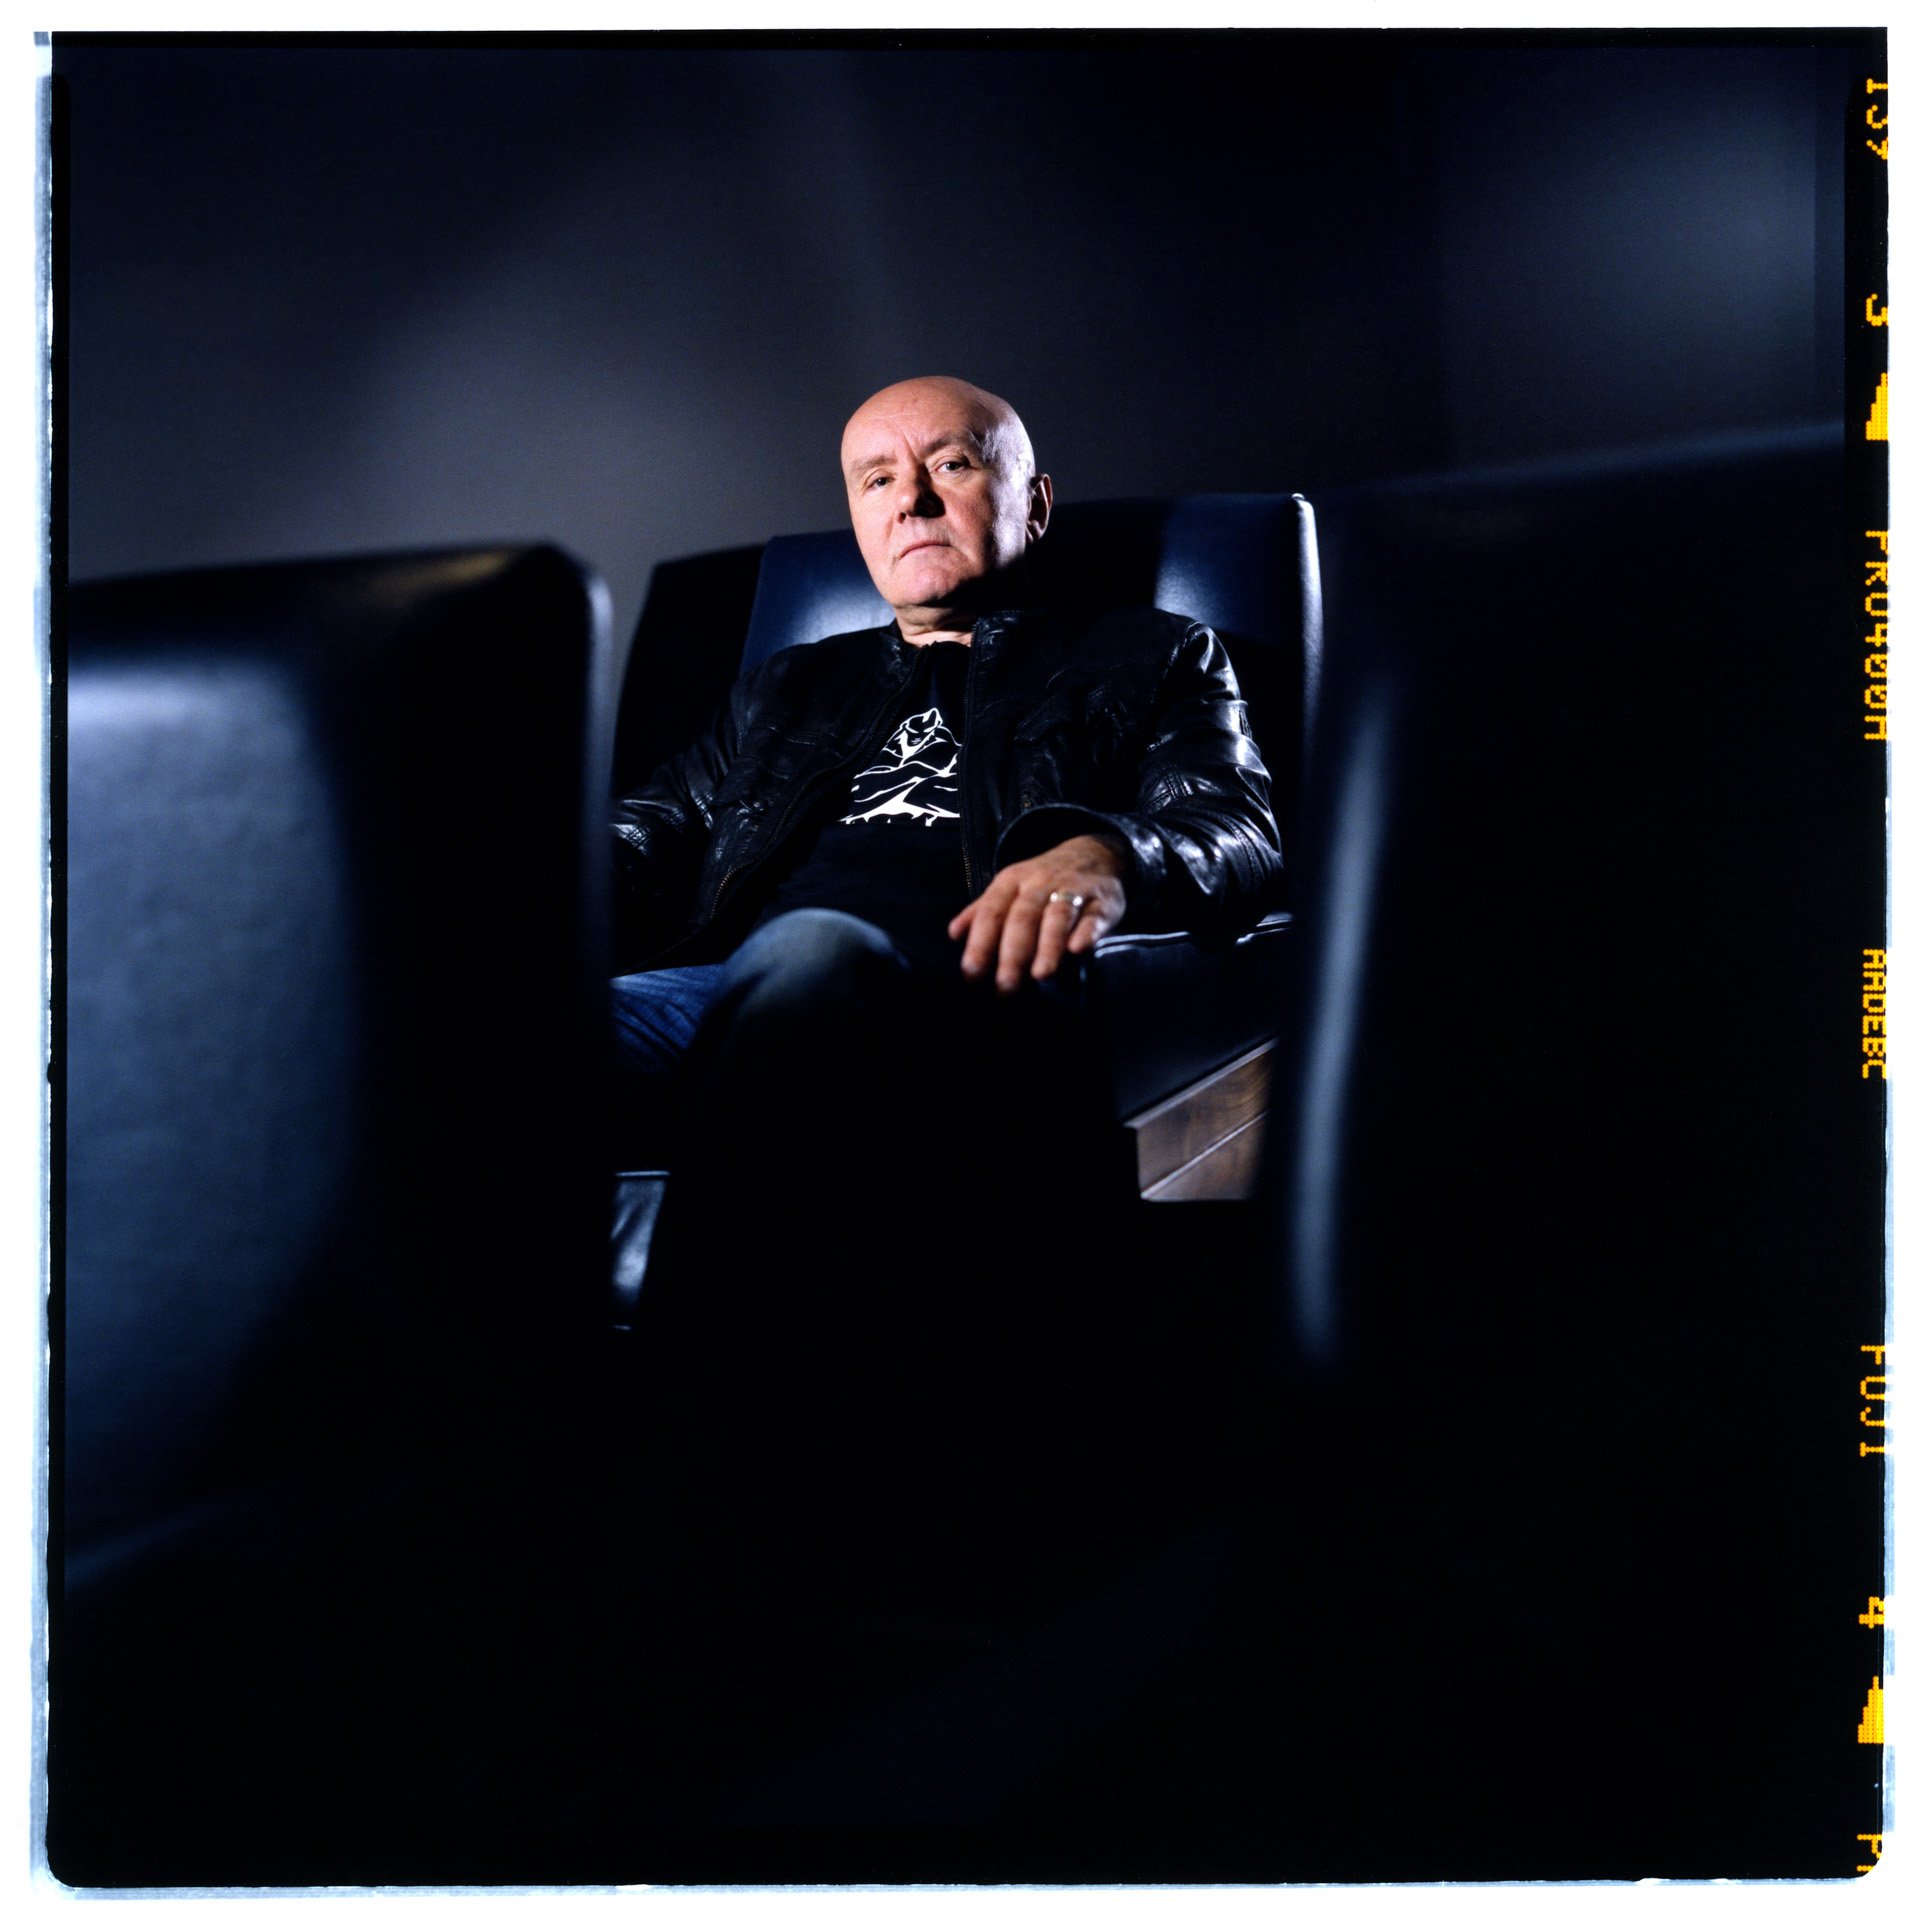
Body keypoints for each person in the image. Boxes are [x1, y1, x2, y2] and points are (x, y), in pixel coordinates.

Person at [606, 376, 1285, 1596]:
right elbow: (642, 836)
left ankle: (686, 1525)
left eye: (955, 465)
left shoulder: (1150, 654)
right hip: (727, 986)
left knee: (808, 957)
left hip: (956, 977)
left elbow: (1233, 824)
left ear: (1032, 501)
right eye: (877, 480)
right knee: (482, 1039)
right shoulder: (789, 687)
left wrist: (1109, 850)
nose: (911, 500)